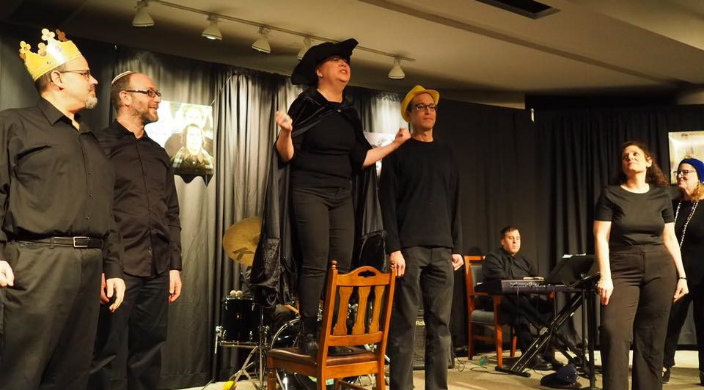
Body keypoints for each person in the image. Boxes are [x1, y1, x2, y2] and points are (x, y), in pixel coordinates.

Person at [266, 38, 409, 357]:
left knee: (342, 264)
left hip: (341, 194)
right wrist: (286, 132)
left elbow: (361, 158)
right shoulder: (305, 104)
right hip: (309, 191)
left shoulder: (349, 112)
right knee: (316, 261)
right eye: (335, 60)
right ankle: (308, 331)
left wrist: (395, 146)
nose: (345, 64)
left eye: (346, 60)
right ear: (319, 71)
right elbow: (286, 155)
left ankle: (335, 328)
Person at [0, 28, 125, 389]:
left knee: (73, 372)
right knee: (21, 369)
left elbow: (107, 210)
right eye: (84, 74)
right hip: (36, 263)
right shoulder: (14, 124)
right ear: (56, 79)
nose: (95, 81)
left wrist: (113, 266)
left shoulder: (90, 140)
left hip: (88, 266)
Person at [89, 71, 182, 390]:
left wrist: (174, 265)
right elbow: (92, 209)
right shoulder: (97, 145)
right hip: (118, 266)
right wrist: (103, 266)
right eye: (150, 92)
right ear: (125, 97)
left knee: (149, 352)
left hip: (157, 267)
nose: (157, 99)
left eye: (158, 93)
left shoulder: (159, 153)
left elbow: (171, 211)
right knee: (103, 353)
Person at [379, 85, 463, 390]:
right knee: (403, 326)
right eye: (421, 107)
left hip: (442, 250)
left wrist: (457, 246)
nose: (428, 111)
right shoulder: (396, 154)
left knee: (440, 327)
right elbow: (386, 203)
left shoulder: (447, 152)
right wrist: (394, 249)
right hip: (409, 251)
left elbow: (454, 202)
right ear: (410, 114)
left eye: (432, 107)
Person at [594, 141, 689, 390]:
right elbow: (601, 237)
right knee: (613, 331)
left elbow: (669, 237)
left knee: (651, 337)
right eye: (625, 155)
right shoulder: (611, 194)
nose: (630, 158)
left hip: (660, 268)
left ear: (648, 161)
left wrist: (682, 275)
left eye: (636, 154)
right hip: (622, 265)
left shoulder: (662, 194)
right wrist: (605, 277)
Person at [482, 225, 562, 370]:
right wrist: (523, 279)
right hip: (501, 301)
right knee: (519, 310)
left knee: (549, 308)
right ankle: (531, 356)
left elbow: (536, 280)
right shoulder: (492, 258)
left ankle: (548, 354)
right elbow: (501, 279)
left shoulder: (525, 260)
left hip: (524, 300)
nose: (515, 242)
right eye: (511, 238)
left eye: (518, 238)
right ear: (502, 241)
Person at [662, 157, 704, 385]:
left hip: (703, 276)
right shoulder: (672, 205)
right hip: (676, 275)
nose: (680, 175)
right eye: (678, 172)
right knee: (669, 321)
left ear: (700, 177)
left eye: (686, 172)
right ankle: (663, 364)